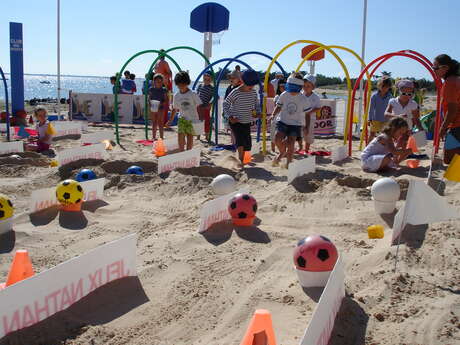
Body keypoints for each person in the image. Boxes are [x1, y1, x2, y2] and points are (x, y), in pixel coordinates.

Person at [223, 70, 261, 168]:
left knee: (248, 142)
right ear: (242, 81)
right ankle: (241, 161)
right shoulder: (236, 92)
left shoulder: (253, 92)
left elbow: (255, 105)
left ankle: (246, 159)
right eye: (249, 85)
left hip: (247, 121)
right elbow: (225, 104)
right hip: (236, 121)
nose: (251, 87)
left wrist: (257, 113)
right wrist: (230, 117)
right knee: (240, 140)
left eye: (253, 85)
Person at [271, 73, 310, 167]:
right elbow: (278, 106)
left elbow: (307, 114)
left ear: (300, 88)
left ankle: (289, 163)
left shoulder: (303, 99)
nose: (292, 91)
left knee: (291, 142)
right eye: (290, 88)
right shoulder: (284, 94)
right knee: (277, 139)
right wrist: (273, 114)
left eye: (294, 89)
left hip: (295, 125)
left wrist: (307, 126)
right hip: (282, 121)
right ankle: (282, 152)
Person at [433, 54, 460, 164]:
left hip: (456, 125)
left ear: (446, 68)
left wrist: (443, 128)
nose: (434, 70)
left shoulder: (450, 82)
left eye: (435, 67)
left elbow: (452, 109)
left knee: (450, 159)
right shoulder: (456, 80)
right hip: (456, 125)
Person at [165, 71, 202, 151]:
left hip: (192, 120)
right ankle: (181, 152)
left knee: (190, 137)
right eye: (179, 84)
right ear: (177, 84)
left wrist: (200, 119)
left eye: (183, 84)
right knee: (180, 136)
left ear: (187, 83)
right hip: (182, 119)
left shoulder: (193, 94)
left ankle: (188, 153)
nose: (181, 86)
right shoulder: (176, 95)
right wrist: (170, 120)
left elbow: (199, 106)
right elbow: (175, 109)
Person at [385, 79, 421, 147]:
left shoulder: (413, 104)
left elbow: (416, 118)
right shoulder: (393, 101)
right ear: (399, 91)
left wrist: (420, 129)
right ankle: (395, 156)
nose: (406, 96)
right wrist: (398, 116)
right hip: (395, 127)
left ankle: (399, 156)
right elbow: (386, 114)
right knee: (396, 146)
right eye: (404, 93)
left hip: (407, 128)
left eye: (409, 94)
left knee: (403, 145)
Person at [301, 75, 321, 153]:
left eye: (308, 86)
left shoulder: (316, 97)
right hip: (300, 117)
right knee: (299, 133)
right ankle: (300, 147)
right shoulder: (300, 94)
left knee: (308, 133)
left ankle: (306, 149)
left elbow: (318, 107)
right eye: (304, 86)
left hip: (311, 118)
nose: (305, 87)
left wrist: (311, 111)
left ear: (313, 87)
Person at [148, 73, 168, 140]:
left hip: (161, 108)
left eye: (160, 81)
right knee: (154, 122)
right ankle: (153, 136)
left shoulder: (164, 90)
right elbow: (149, 98)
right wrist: (150, 104)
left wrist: (161, 104)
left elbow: (165, 99)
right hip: (153, 107)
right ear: (154, 82)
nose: (159, 83)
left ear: (162, 82)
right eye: (157, 81)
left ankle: (161, 136)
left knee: (160, 122)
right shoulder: (151, 89)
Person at [196, 72, 214, 140]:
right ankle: (198, 136)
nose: (206, 81)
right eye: (205, 79)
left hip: (206, 107)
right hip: (199, 106)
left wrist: (210, 104)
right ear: (203, 79)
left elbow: (216, 97)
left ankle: (206, 136)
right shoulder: (200, 85)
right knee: (199, 121)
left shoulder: (212, 88)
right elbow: (197, 94)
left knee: (206, 122)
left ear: (211, 80)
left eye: (208, 80)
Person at [270, 79, 286, 152]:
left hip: (284, 118)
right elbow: (277, 108)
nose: (282, 87)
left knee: (283, 136)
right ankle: (273, 150)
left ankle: (282, 151)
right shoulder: (277, 97)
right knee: (273, 135)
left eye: (284, 86)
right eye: (281, 86)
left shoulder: (289, 96)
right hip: (276, 117)